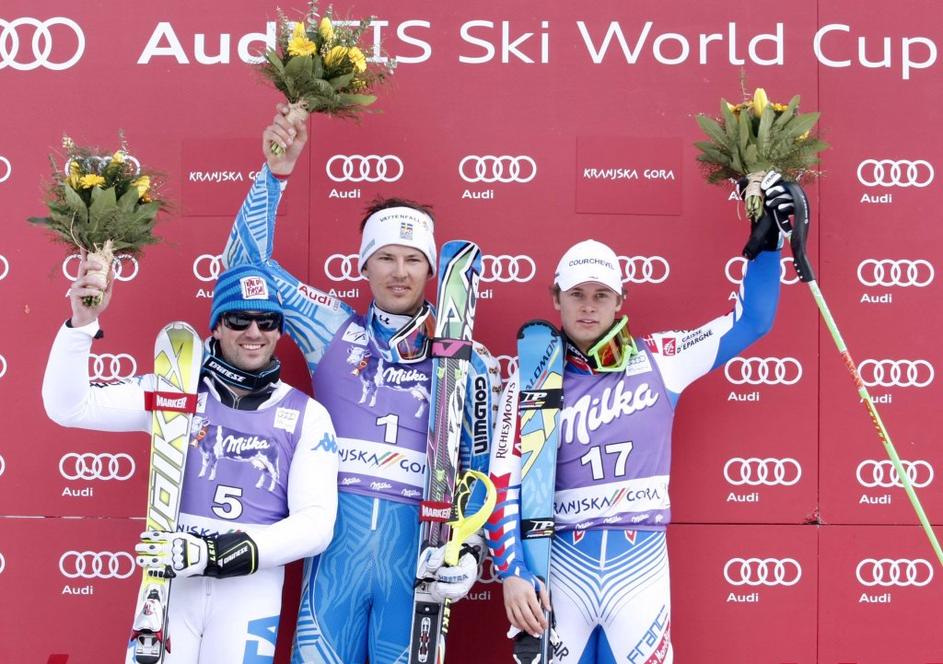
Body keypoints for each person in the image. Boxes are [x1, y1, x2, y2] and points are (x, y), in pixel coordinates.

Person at [222, 105, 501, 664]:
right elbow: (243, 272)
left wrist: (467, 550)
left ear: (431, 272)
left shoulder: (466, 361)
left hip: (415, 564)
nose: (400, 272)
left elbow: (477, 466)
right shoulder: (331, 328)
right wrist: (275, 175)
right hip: (333, 565)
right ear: (364, 267)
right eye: (387, 258)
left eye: (414, 260)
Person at [486, 178, 796, 663]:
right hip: (560, 567)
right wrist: (511, 571)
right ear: (556, 299)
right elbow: (501, 484)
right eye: (577, 294)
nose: (589, 306)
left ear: (620, 301)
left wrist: (769, 243)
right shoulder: (530, 382)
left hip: (641, 568)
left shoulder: (661, 358)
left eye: (602, 295)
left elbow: (752, 321)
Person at [42, 258, 339, 663]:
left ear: (279, 329)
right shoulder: (173, 392)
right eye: (238, 319)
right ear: (216, 326)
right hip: (169, 588)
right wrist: (81, 324)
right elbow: (68, 407)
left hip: (249, 593)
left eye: (267, 322)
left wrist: (212, 553)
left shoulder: (308, 415)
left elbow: (316, 525)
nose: (254, 333)